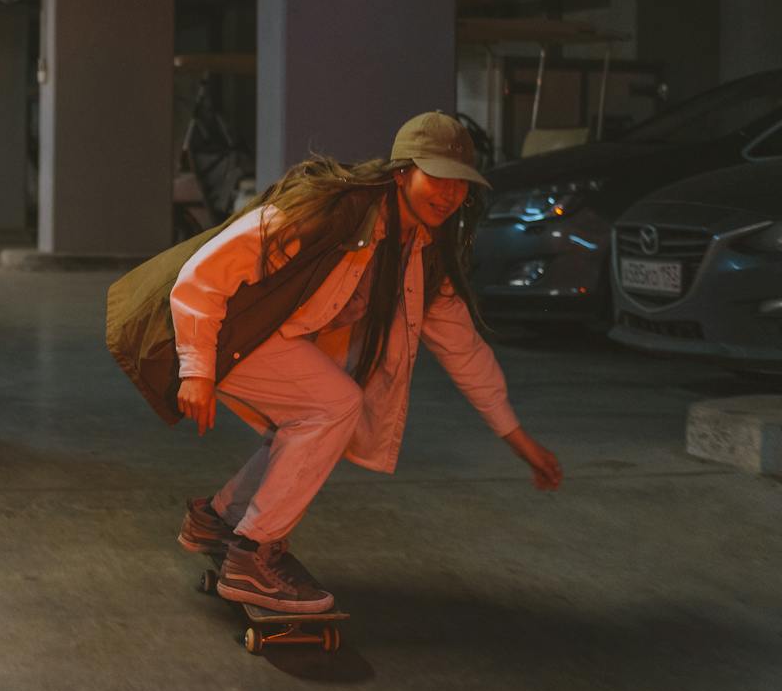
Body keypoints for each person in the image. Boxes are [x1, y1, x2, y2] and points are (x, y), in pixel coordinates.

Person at [106, 112, 562, 613]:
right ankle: (253, 556)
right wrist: (197, 368)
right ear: (402, 172)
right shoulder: (331, 210)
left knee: (318, 411)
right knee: (333, 405)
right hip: (208, 325)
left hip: (258, 333)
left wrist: (517, 439)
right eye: (437, 176)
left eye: (460, 184)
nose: (449, 194)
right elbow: (206, 271)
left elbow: (464, 349)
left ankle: (221, 518)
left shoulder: (423, 251)